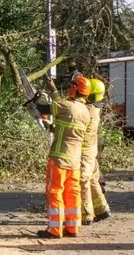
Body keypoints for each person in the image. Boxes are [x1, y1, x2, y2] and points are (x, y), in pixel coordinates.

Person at [33, 75, 91, 239]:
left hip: (59, 159)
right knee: (72, 193)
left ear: (75, 89)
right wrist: (52, 127)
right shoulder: (86, 112)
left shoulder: (67, 106)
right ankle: (72, 228)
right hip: (74, 161)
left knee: (55, 192)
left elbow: (45, 108)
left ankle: (54, 229)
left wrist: (36, 99)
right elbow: (68, 131)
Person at [80, 79, 111, 225]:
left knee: (83, 181)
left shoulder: (87, 110)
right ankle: (102, 209)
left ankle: (87, 215)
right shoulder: (95, 108)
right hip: (91, 151)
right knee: (93, 180)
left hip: (84, 152)